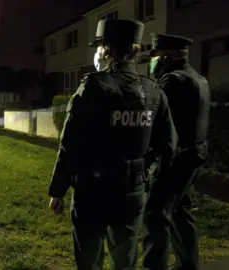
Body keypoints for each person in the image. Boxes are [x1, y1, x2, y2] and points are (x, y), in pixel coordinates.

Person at [47, 19, 177, 270]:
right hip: (131, 192)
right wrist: (145, 172)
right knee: (124, 258)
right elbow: (169, 146)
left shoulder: (93, 87)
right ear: (135, 50)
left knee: (89, 259)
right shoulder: (153, 91)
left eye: (99, 47)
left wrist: (58, 191)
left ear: (106, 50)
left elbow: (70, 145)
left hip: (91, 192)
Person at [142, 34, 210, 270]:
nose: (152, 62)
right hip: (195, 154)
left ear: (168, 57)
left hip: (176, 158)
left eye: (155, 57)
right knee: (181, 210)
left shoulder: (173, 82)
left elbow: (160, 125)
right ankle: (188, 264)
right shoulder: (198, 78)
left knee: (154, 213)